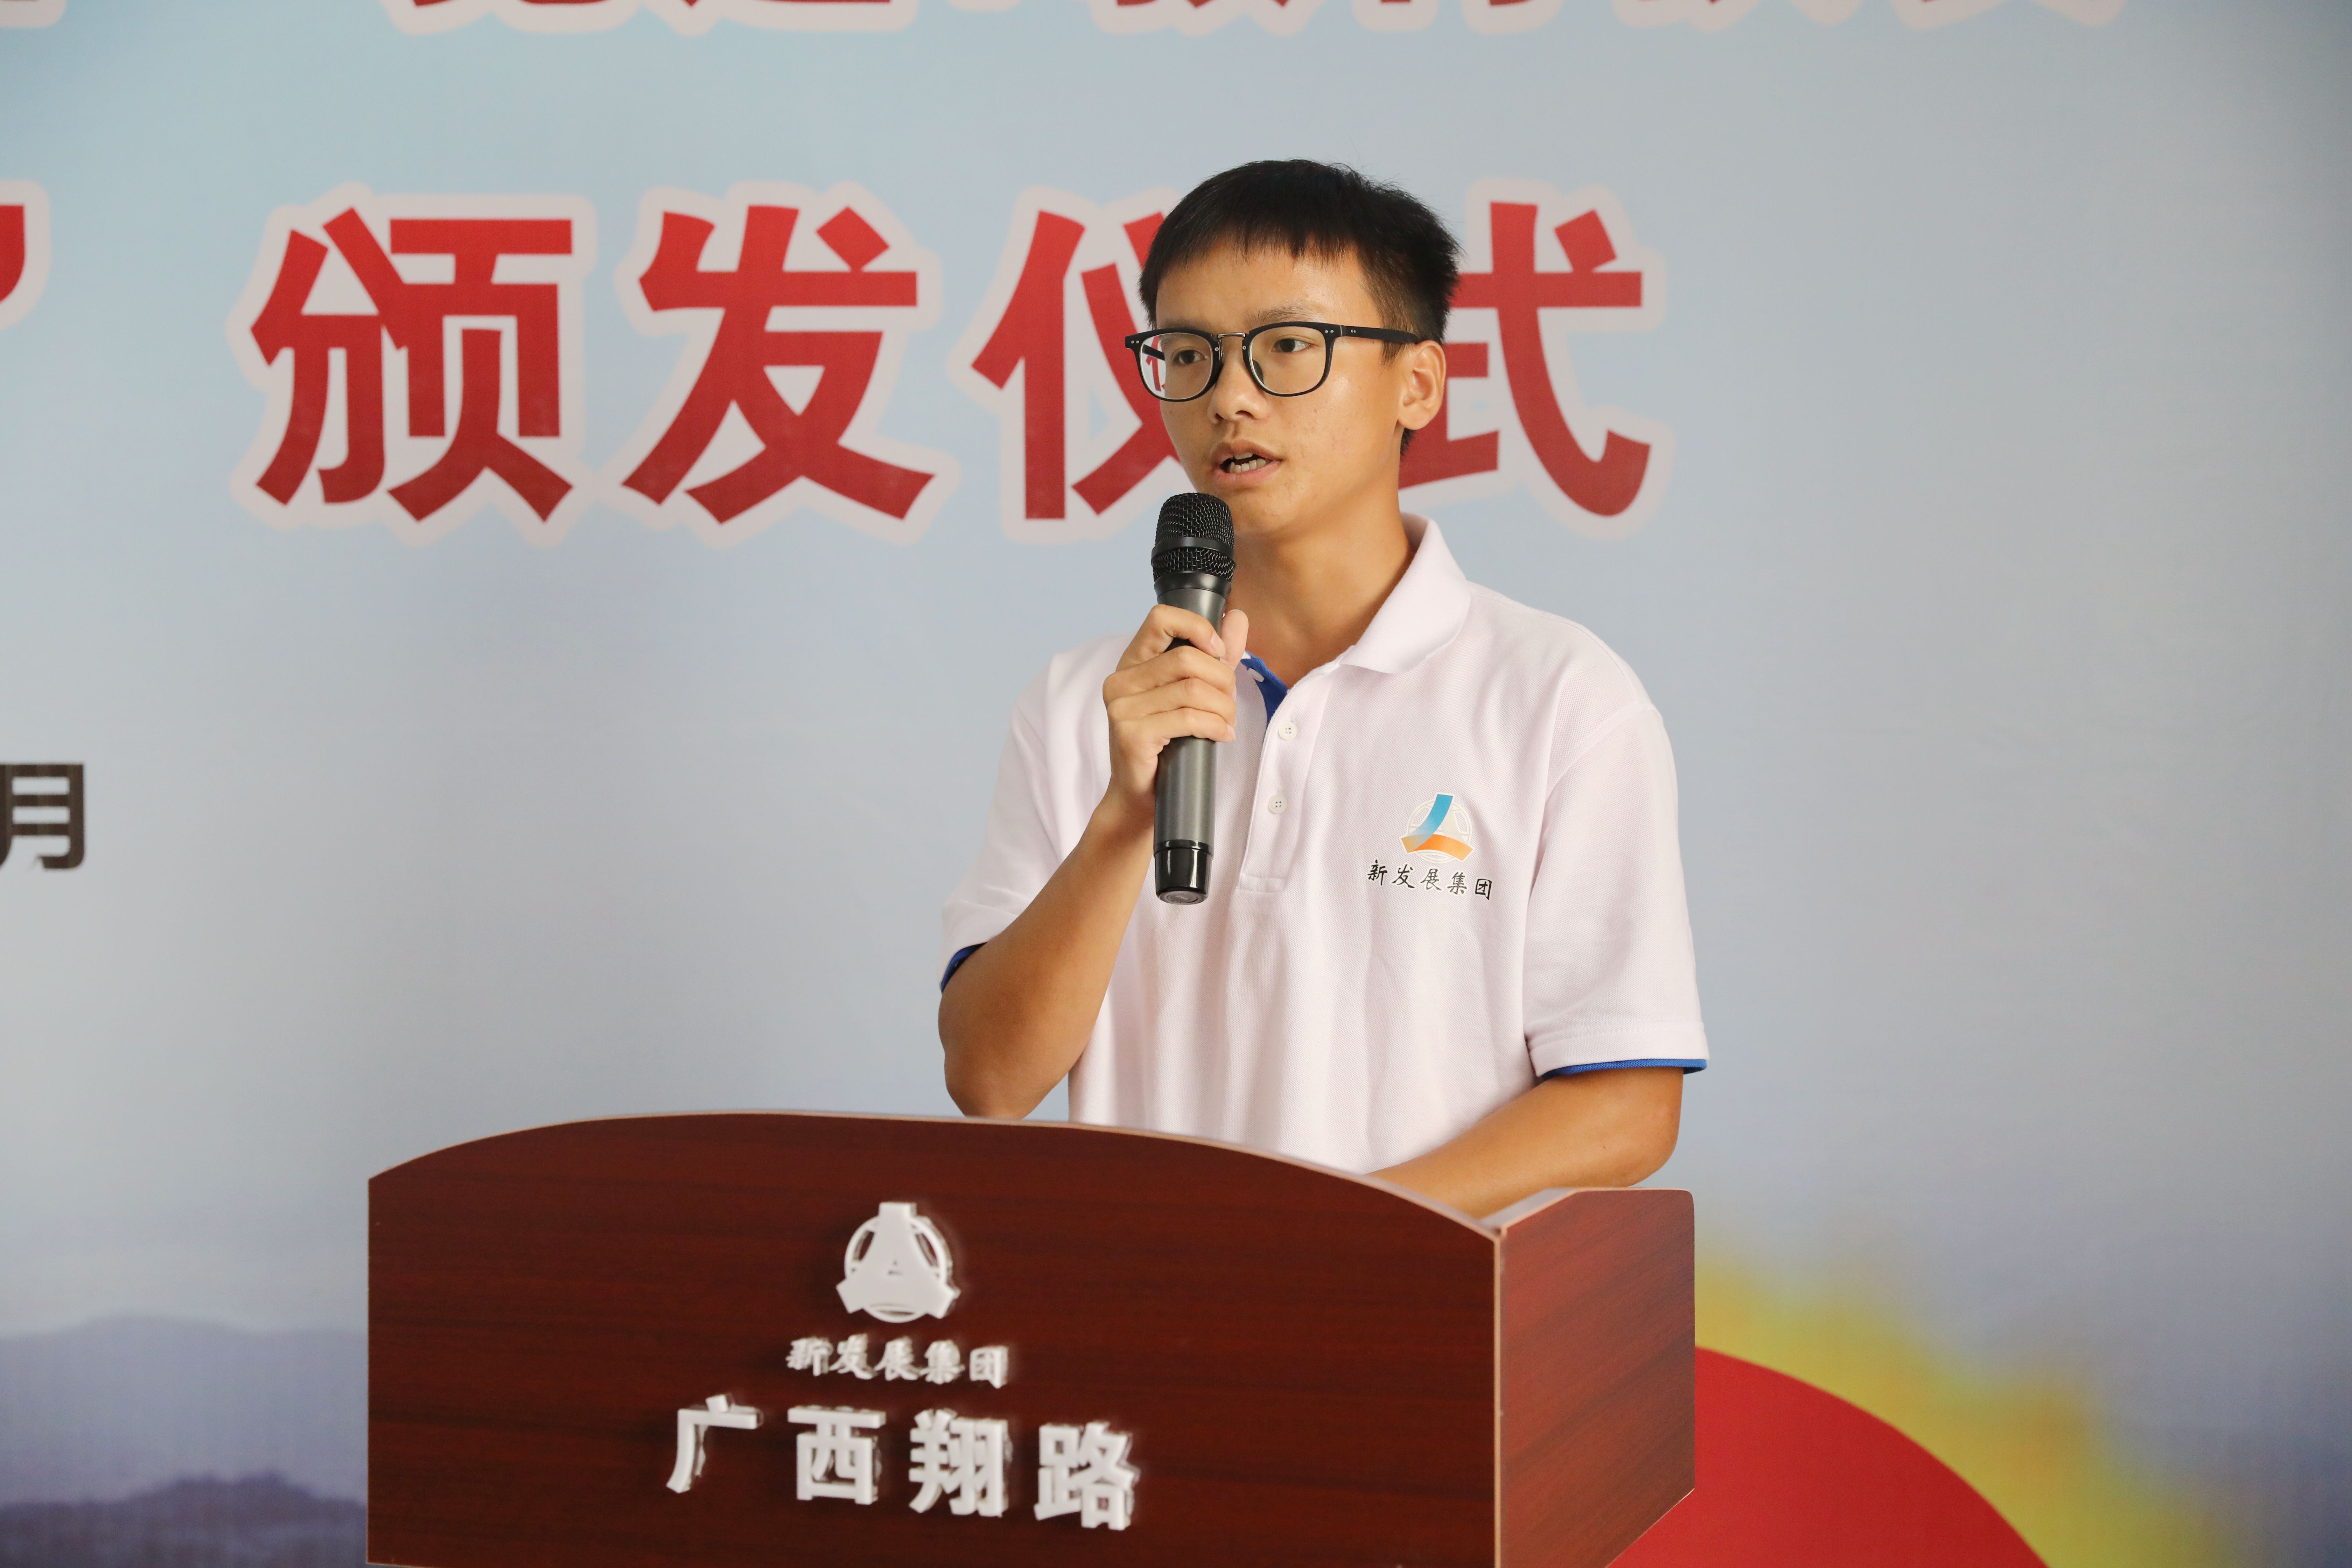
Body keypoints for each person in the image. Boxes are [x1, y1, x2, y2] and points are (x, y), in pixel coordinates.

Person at [937, 160, 1705, 1219]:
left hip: (1418, 1304)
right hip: (1139, 1302)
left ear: (1418, 384)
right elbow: (989, 1080)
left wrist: (1340, 1245)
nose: (1229, 397)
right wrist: (1123, 818)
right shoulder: (1086, 704)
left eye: (1288, 346)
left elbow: (1626, 1105)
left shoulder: (1559, 698)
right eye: (1189, 354)